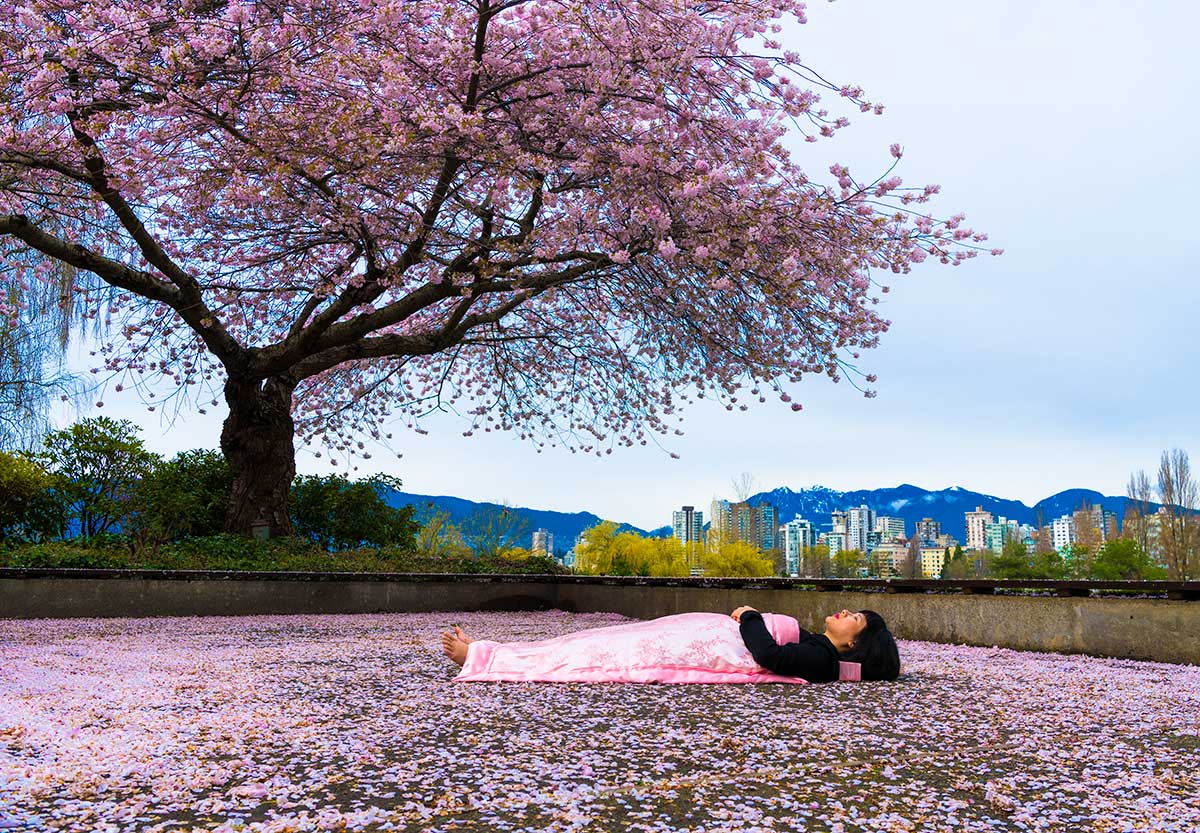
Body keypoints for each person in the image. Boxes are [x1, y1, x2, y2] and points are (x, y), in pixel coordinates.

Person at [440, 605, 900, 684]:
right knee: (601, 640)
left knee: (599, 653)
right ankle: (491, 651)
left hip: (704, 645)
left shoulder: (821, 658)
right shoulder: (820, 648)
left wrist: (751, 616)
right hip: (707, 636)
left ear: (851, 646)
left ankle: (483, 656)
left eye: (852, 619)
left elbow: (770, 656)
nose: (842, 613)